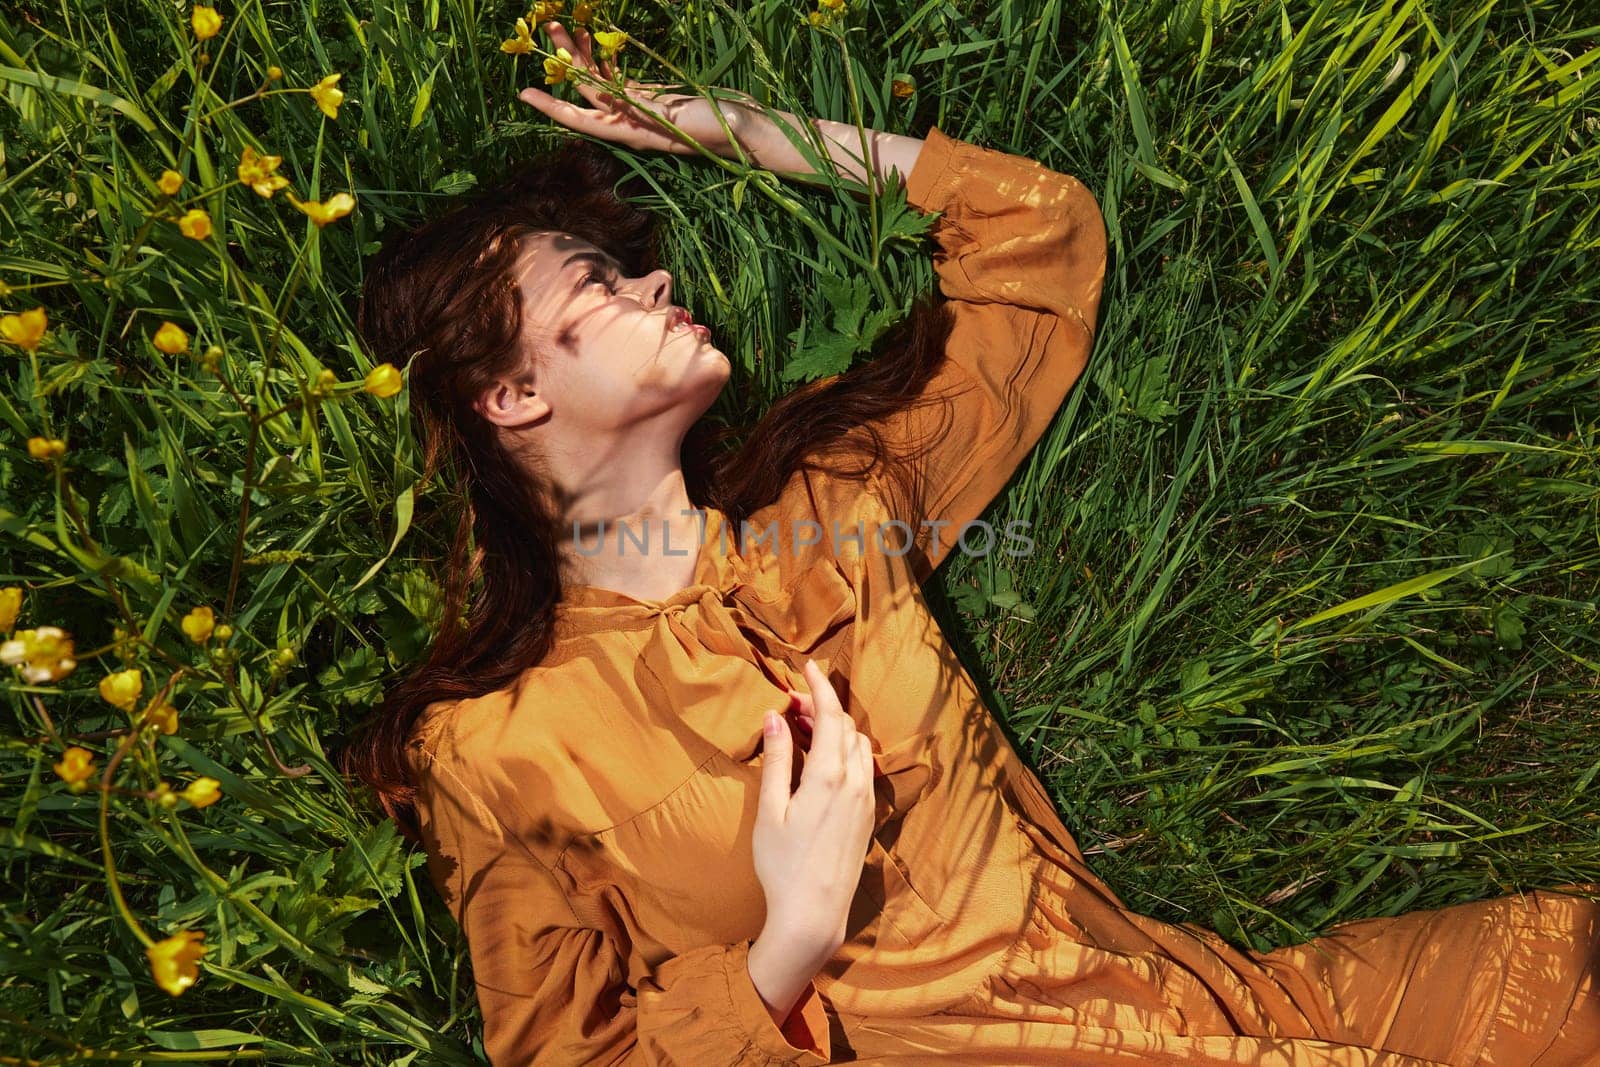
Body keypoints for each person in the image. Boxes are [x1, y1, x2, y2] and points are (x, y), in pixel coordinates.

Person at [340, 21, 1600, 1066]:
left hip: (1187, 1006)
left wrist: (723, 127)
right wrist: (792, 932)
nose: (657, 287)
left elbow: (1033, 239)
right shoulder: (493, 748)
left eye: (636, 271)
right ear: (509, 393)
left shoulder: (833, 510)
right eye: (595, 286)